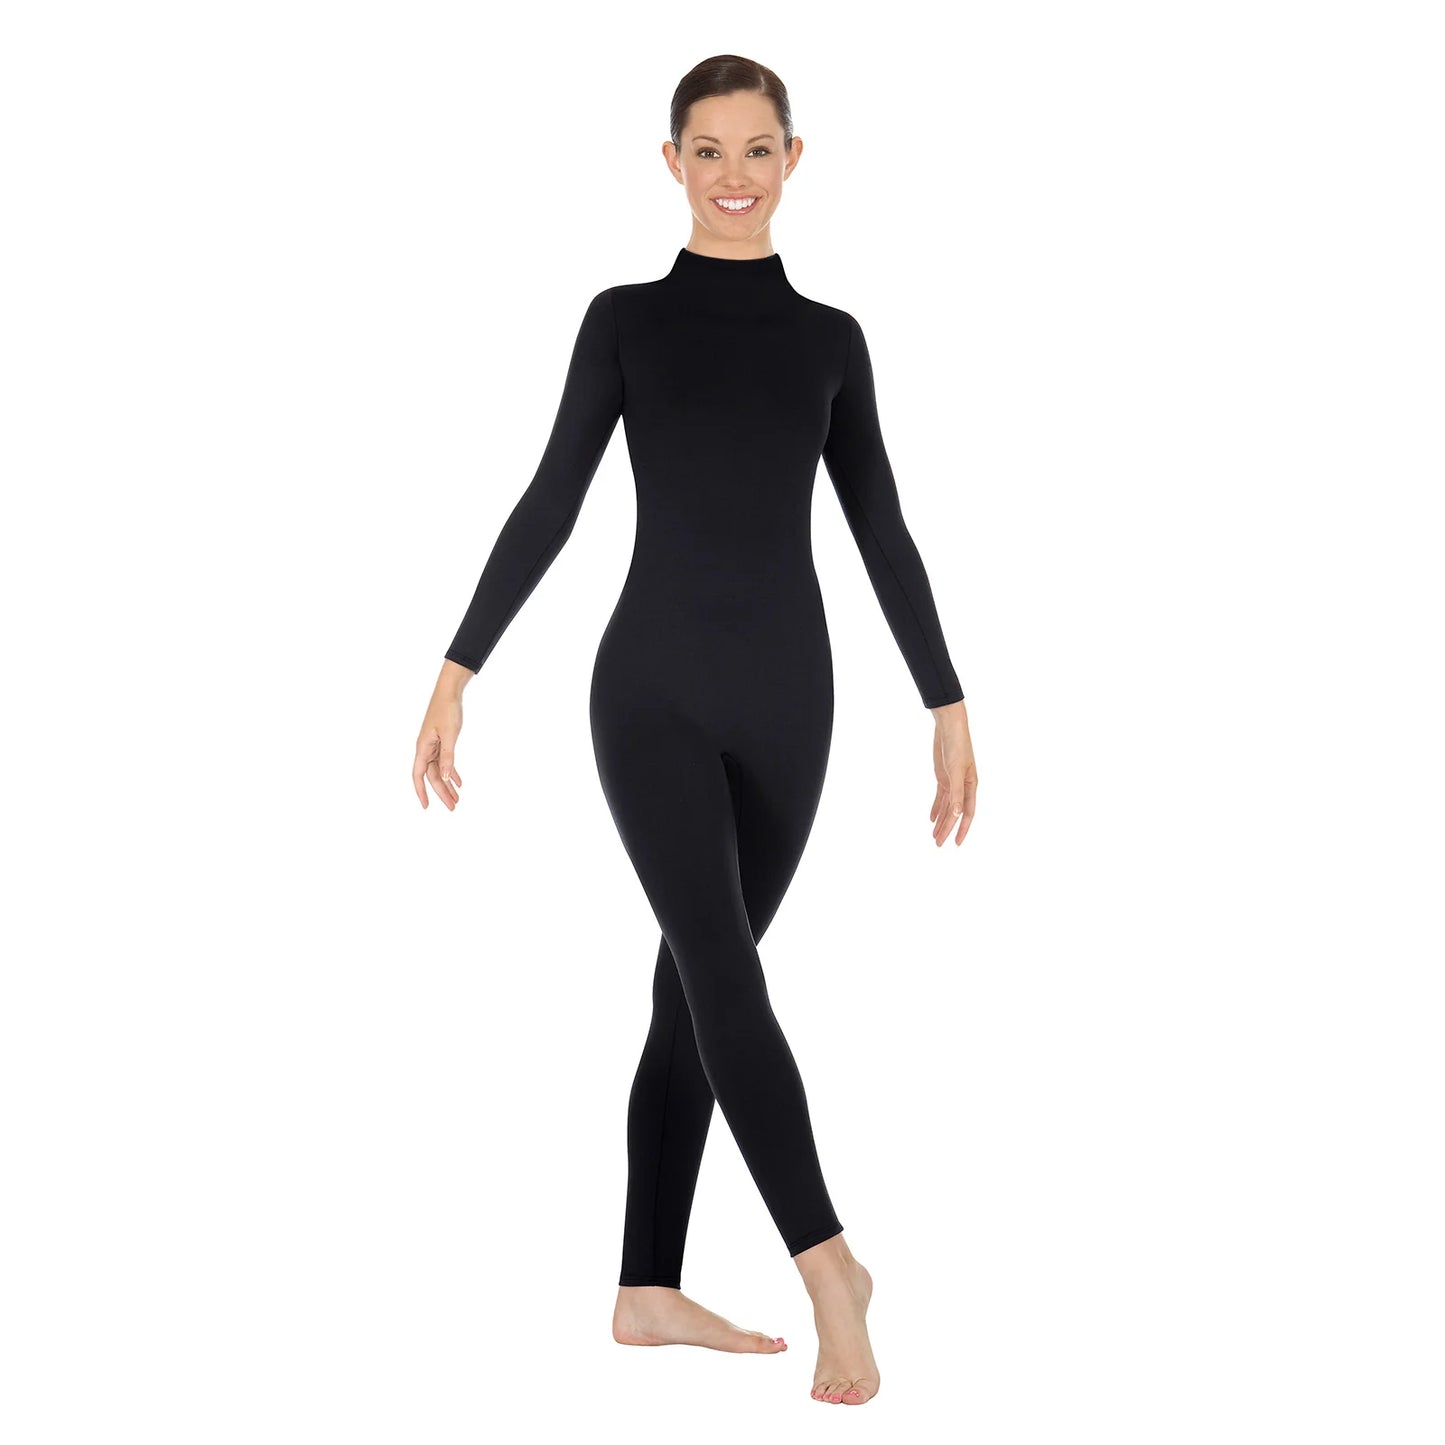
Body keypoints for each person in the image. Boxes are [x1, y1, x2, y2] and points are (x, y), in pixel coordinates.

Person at [412, 54, 978, 1408]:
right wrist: (458, 664)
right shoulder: (624, 322)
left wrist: (946, 700)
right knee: (724, 973)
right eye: (708, 151)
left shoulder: (832, 340)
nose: (734, 175)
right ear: (670, 162)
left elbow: (881, 527)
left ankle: (645, 1287)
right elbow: (552, 494)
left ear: (795, 159)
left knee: (692, 990)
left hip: (793, 704)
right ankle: (831, 1268)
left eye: (757, 149)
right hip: (648, 693)